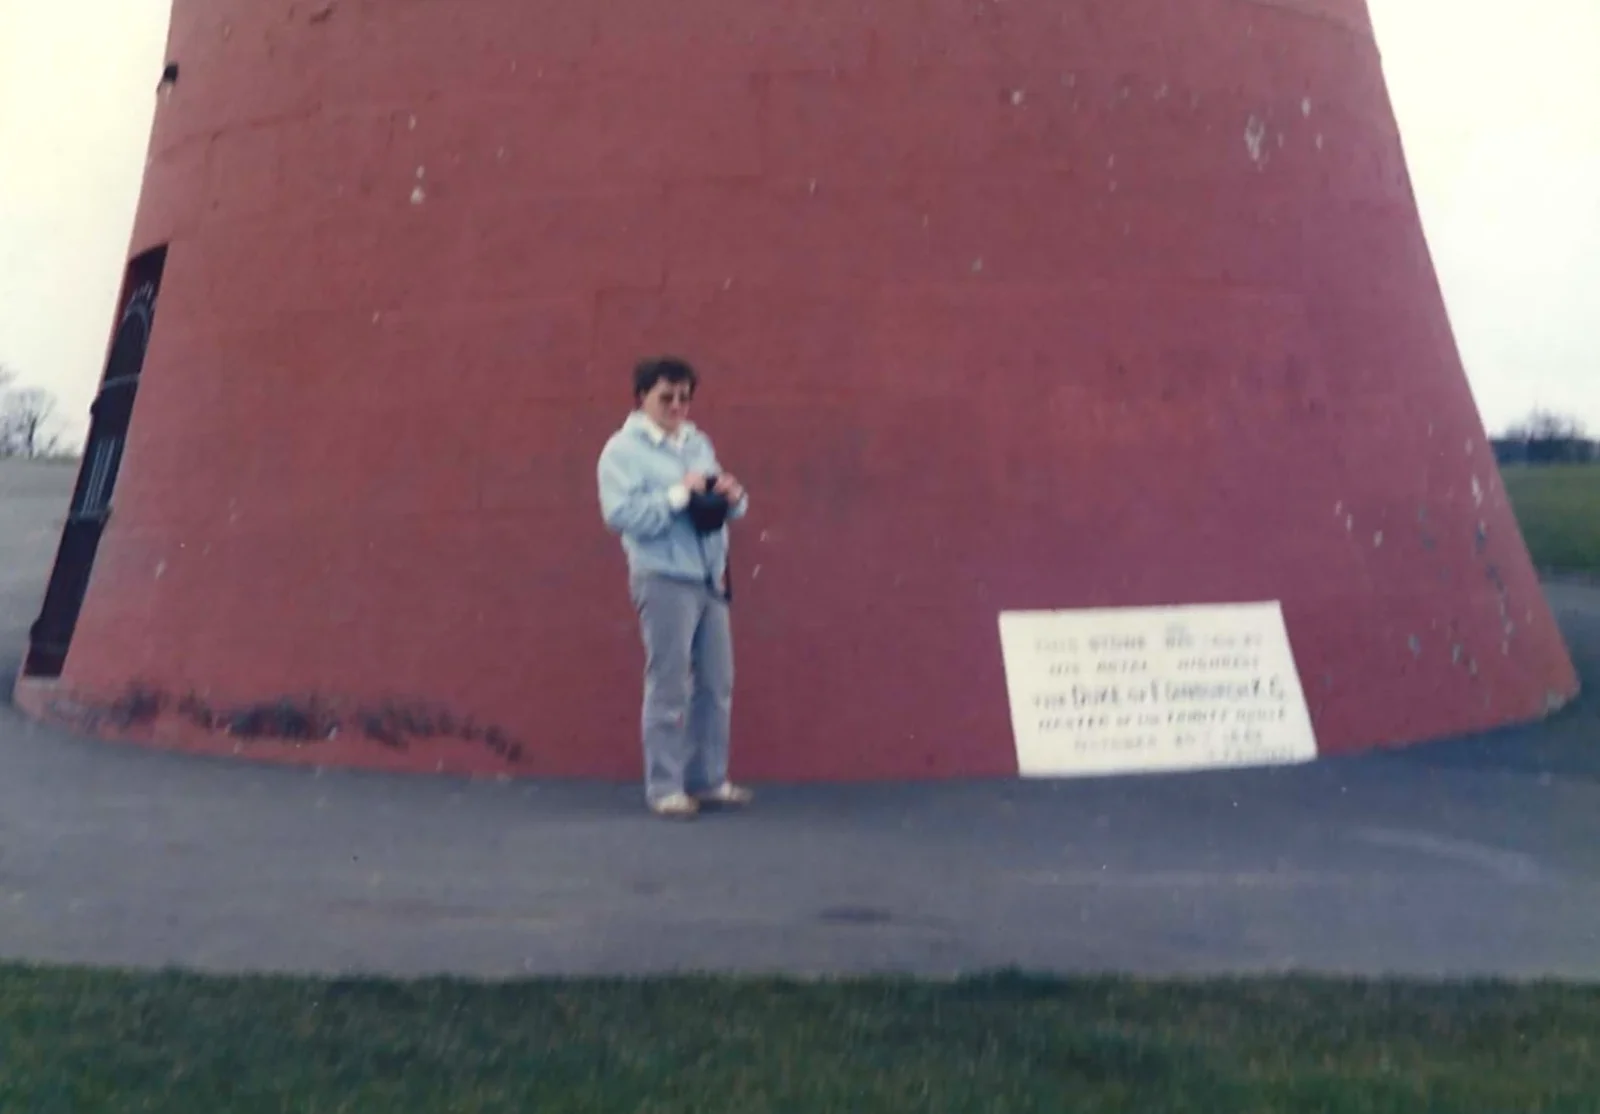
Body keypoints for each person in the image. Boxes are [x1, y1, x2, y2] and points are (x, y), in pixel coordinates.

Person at [597, 357, 753, 819]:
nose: (677, 406)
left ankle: (707, 779)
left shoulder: (697, 442)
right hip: (663, 576)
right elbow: (620, 515)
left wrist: (732, 494)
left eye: (685, 397)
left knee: (716, 682)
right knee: (669, 684)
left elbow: (732, 509)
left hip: (709, 575)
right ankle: (665, 786)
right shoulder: (622, 451)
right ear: (641, 397)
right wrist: (676, 495)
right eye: (666, 397)